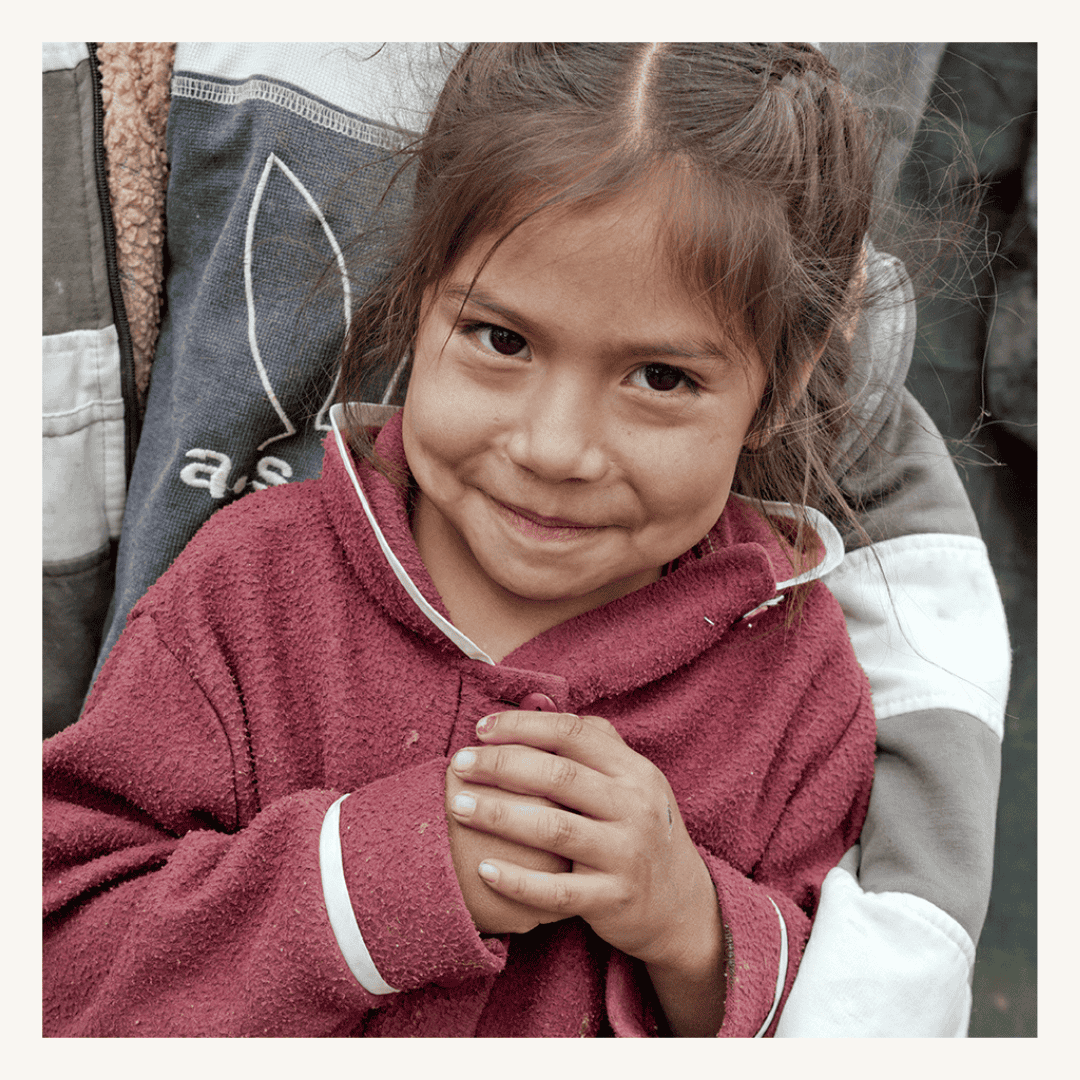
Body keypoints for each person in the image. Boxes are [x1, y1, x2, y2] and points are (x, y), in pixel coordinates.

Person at [41, 43, 988, 1038]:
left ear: (778, 389)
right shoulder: (246, 592)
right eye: (501, 339)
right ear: (418, 300)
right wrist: (373, 880)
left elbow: (856, 1025)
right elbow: (59, 958)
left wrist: (694, 930)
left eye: (661, 378)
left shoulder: (796, 681)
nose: (555, 448)